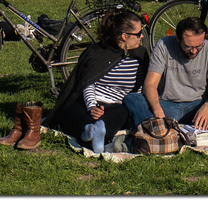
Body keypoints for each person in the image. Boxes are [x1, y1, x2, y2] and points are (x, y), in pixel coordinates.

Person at [45, 9, 149, 153]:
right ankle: (90, 131)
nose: (142, 36)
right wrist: (92, 106)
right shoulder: (97, 52)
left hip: (117, 104)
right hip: (90, 101)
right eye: (138, 34)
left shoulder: (140, 55)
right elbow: (88, 82)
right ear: (124, 36)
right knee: (69, 109)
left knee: (121, 113)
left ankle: (97, 132)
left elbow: (139, 87)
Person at [125, 16, 208, 132]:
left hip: (197, 106)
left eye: (198, 46)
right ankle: (155, 132)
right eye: (188, 46)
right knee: (132, 99)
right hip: (166, 105)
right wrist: (157, 111)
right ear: (178, 39)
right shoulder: (164, 45)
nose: (193, 51)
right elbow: (150, 85)